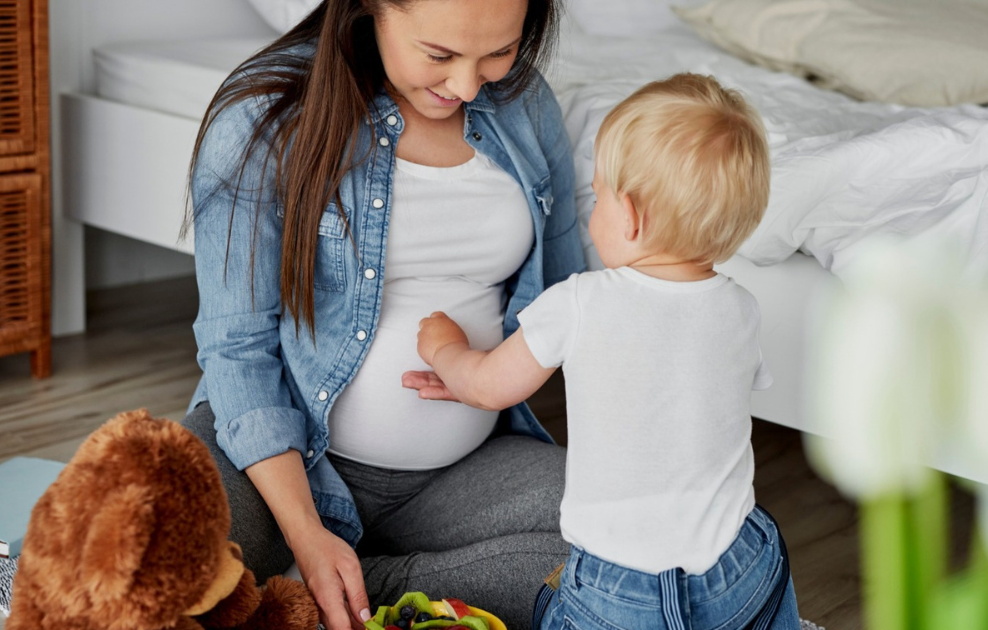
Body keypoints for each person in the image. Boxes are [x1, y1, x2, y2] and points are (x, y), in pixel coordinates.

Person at [181, 0, 585, 629]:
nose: (468, 85)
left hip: (459, 475)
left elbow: (565, 296)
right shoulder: (264, 114)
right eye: (440, 55)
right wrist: (307, 532)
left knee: (629, 545)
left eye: (498, 53)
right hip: (279, 471)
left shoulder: (525, 106)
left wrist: (490, 369)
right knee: (165, 559)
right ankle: (315, 568)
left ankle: (357, 586)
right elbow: (237, 349)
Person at [405, 73, 802, 630]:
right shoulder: (741, 310)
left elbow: (490, 386)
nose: (590, 207)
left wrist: (446, 350)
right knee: (763, 548)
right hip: (738, 567)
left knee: (555, 607)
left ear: (632, 218)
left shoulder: (581, 301)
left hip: (624, 590)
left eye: (598, 194)